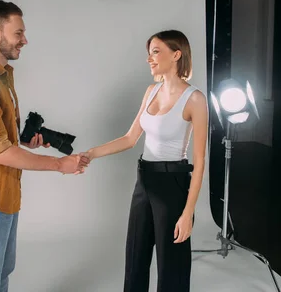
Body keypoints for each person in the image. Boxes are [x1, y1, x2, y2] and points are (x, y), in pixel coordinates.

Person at [0, 0, 88, 292]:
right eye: (18, 33)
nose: (24, 40)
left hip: (6, 195)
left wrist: (22, 141)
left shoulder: (0, 75)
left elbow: (0, 138)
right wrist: (59, 165)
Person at [80, 30, 208, 292]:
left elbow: (200, 160)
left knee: (172, 266)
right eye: (149, 53)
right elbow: (129, 138)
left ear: (176, 54)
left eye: (156, 52)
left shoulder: (195, 99)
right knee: (135, 257)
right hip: (144, 182)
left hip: (173, 183)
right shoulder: (151, 91)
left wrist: (187, 214)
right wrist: (91, 153)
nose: (150, 59)